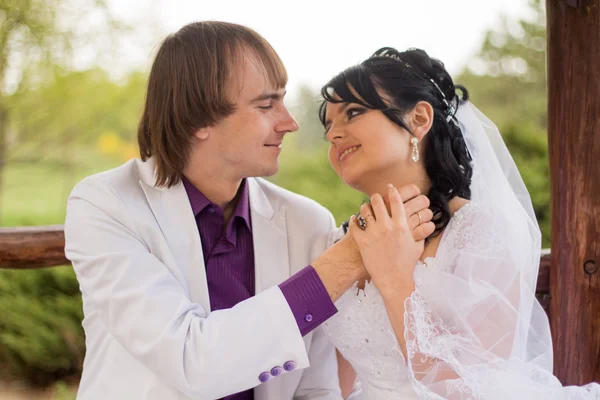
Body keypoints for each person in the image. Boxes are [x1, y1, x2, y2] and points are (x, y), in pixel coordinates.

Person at [63, 23, 433, 400]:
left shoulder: (307, 222)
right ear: (198, 119)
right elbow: (191, 362)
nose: (289, 123)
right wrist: (349, 259)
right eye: (266, 104)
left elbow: (316, 389)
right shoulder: (104, 205)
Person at [318, 47, 600, 399]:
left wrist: (393, 279)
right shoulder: (338, 243)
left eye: (353, 112)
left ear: (419, 119)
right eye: (328, 128)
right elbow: (341, 380)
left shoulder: (479, 232)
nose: (333, 135)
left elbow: (477, 388)